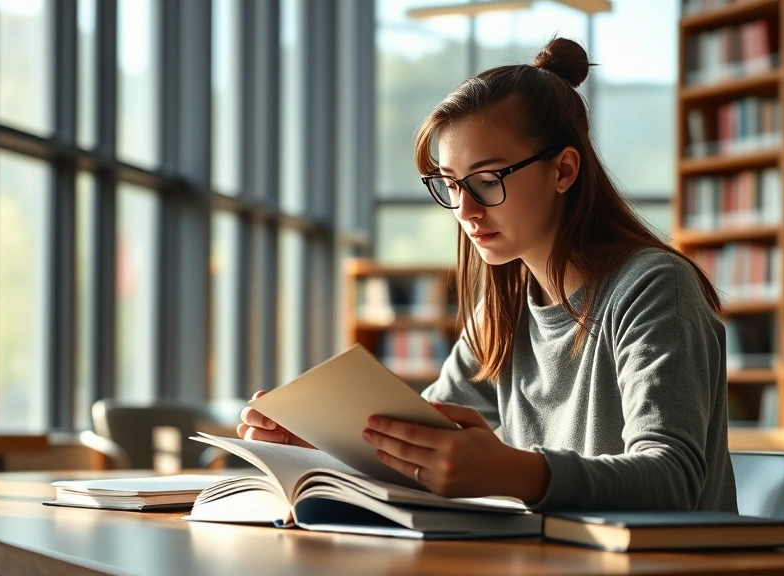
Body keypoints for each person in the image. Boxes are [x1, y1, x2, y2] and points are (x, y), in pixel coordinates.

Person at [238, 37, 737, 513]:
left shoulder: (655, 288)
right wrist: (322, 439)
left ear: (563, 170)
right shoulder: (504, 308)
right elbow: (419, 440)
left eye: (487, 180)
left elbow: (673, 480)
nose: (465, 209)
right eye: (452, 184)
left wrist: (517, 473)